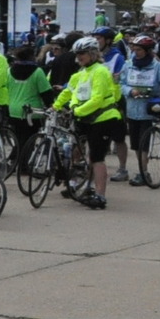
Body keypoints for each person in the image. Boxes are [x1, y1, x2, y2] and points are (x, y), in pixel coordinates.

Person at [53, 36, 123, 210]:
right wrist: (55, 106)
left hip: (103, 118)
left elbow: (98, 99)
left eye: (82, 53)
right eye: (77, 54)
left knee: (97, 157)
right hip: (83, 118)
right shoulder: (79, 74)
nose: (79, 57)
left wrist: (76, 111)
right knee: (76, 150)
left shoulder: (100, 71)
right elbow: (68, 92)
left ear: (93, 53)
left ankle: (100, 196)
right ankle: (77, 184)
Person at [114, 34, 160, 186]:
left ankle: (143, 172)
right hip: (132, 110)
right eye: (134, 49)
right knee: (136, 144)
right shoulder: (128, 64)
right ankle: (142, 170)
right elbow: (122, 83)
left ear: (147, 51)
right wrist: (129, 91)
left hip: (150, 110)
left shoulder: (157, 66)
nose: (135, 52)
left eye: (139, 49)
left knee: (144, 144)